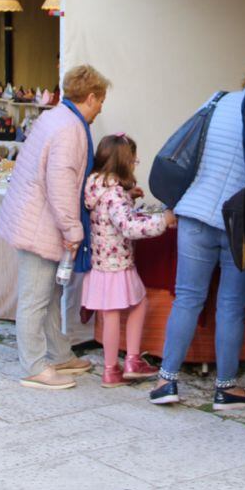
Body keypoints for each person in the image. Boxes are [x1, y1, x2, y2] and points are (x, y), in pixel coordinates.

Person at [150, 69, 245, 410]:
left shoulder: (218, 100)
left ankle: (166, 380)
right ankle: (225, 388)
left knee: (187, 298)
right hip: (238, 220)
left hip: (195, 210)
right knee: (231, 306)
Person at [0, 64, 109, 391]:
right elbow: (60, 184)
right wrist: (73, 229)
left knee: (47, 292)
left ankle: (59, 354)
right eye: (101, 101)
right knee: (35, 296)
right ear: (91, 97)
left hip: (34, 218)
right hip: (40, 223)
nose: (102, 108)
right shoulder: (69, 129)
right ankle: (33, 365)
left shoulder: (56, 117)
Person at [81, 133, 173, 387]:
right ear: (123, 163)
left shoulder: (95, 186)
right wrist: (162, 221)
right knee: (139, 304)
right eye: (133, 161)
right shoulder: (115, 195)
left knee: (109, 314)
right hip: (118, 262)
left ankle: (113, 368)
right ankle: (128, 361)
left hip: (100, 261)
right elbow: (129, 226)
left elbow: (107, 213)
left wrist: (129, 195)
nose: (134, 164)